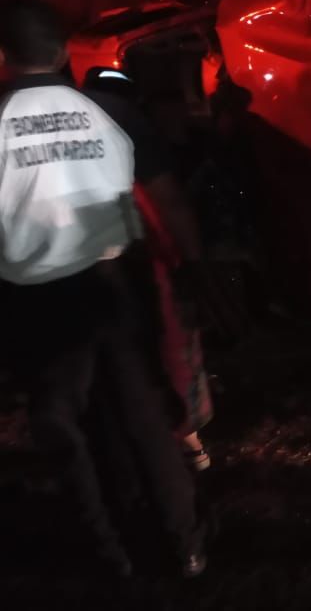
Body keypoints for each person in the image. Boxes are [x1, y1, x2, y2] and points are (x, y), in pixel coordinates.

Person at [0, 0, 206, 577]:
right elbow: (161, 196)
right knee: (141, 415)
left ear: (6, 57)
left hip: (38, 299)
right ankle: (185, 543)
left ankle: (109, 555)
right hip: (114, 285)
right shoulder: (107, 110)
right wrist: (194, 265)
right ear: (65, 52)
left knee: (66, 429)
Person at [82, 67, 215, 471]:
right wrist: (193, 264)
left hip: (84, 265)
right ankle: (188, 445)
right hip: (144, 257)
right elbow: (168, 199)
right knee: (168, 345)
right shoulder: (130, 124)